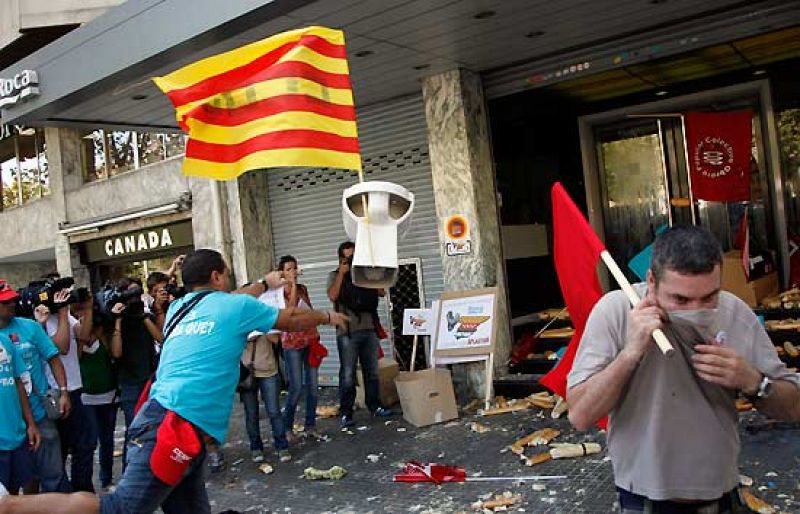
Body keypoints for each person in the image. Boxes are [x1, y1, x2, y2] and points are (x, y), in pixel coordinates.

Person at [0, 248, 347, 514]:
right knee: (119, 507)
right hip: (171, 427)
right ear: (218, 277)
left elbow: (236, 298)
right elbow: (292, 316)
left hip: (169, 422)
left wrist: (263, 283)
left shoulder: (179, 310)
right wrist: (329, 316)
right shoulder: (233, 307)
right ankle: (10, 506)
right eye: (225, 275)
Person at [567, 226, 800, 514]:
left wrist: (753, 381)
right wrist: (630, 353)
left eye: (708, 297)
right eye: (680, 300)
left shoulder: (734, 313)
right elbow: (580, 415)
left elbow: (794, 406)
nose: (696, 309)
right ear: (651, 282)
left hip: (721, 494)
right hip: (644, 499)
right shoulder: (616, 310)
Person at [0, 280, 70, 494]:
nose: (12, 304)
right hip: (8, 426)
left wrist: (64, 392)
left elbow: (53, 358)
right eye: (5, 302)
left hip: (39, 415)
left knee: (52, 475)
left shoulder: (29, 326)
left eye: (13, 300)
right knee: (19, 482)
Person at [327, 241, 393, 428]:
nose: (351, 259)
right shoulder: (334, 275)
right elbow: (332, 296)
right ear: (340, 259)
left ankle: (374, 406)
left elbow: (381, 292)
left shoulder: (364, 274)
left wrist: (369, 271)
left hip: (369, 328)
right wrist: (342, 273)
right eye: (347, 257)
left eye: (354, 255)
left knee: (372, 372)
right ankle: (346, 412)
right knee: (347, 374)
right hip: (347, 331)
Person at [39, 289, 95, 493]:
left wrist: (88, 310)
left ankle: (83, 490)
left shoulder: (66, 316)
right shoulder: (42, 320)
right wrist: (62, 313)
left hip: (75, 389)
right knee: (60, 450)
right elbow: (61, 347)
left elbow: (84, 335)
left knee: (86, 445)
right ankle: (62, 495)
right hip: (56, 393)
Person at [109, 278, 163, 471]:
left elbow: (161, 338)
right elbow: (116, 353)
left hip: (149, 380)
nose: (133, 301)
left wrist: (144, 316)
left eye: (136, 295)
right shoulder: (117, 320)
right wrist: (117, 321)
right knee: (134, 429)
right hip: (129, 383)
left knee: (153, 426)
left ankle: (151, 467)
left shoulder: (144, 317)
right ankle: (130, 469)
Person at [279, 255, 321, 441]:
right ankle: (287, 427)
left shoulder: (303, 289)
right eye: (288, 269)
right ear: (282, 272)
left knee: (312, 385)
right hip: (291, 343)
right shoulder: (278, 292)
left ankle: (310, 425)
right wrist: (292, 285)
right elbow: (289, 309)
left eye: (294, 268)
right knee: (296, 387)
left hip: (309, 339)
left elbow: (308, 310)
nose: (293, 272)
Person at [77, 308, 118, 492]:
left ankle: (106, 478)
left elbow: (114, 355)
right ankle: (86, 484)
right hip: (87, 400)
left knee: (107, 441)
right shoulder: (78, 345)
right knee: (89, 442)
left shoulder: (104, 342)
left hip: (108, 398)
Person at [0, 331, 40, 496]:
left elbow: (18, 382)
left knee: (15, 493)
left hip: (16, 435)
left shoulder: (5, 340)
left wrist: (30, 424)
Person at [240, 332, 290, 464]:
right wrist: (245, 338)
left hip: (268, 370)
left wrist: (265, 332)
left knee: (274, 411)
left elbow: (277, 340)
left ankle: (282, 446)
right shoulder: (238, 317)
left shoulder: (266, 315)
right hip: (246, 371)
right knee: (251, 413)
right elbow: (229, 341)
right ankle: (256, 448)